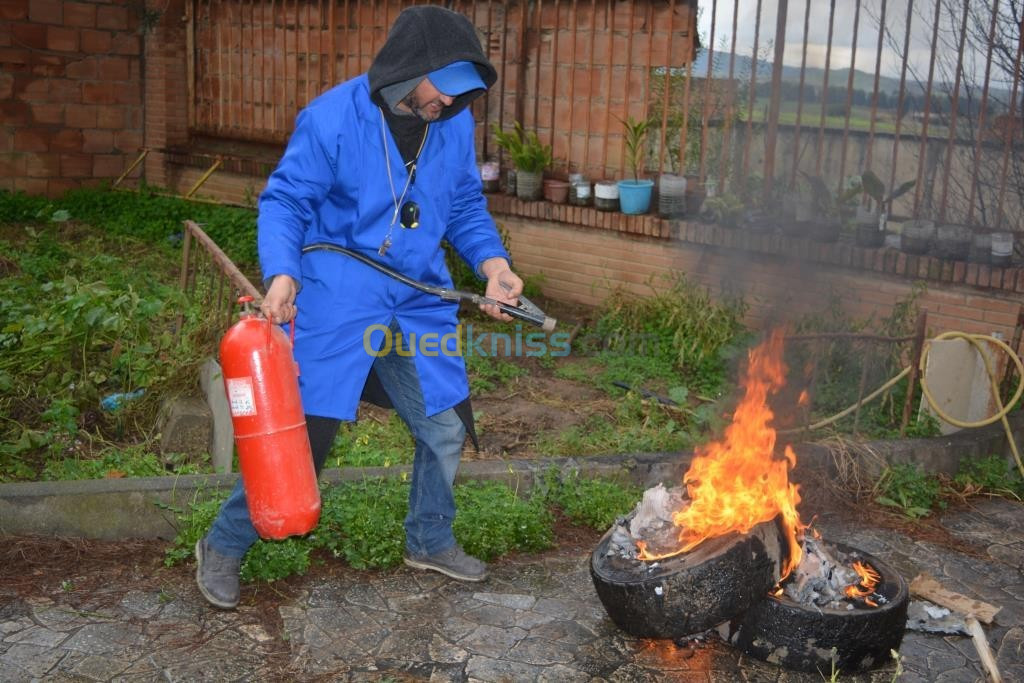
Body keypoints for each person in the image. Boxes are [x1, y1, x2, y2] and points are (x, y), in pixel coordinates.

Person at [195, 5, 524, 609]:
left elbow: (466, 207)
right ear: (407, 71)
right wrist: (283, 274)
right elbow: (285, 202)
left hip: (416, 304)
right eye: (443, 88)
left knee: (444, 427)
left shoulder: (451, 123)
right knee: (304, 442)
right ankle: (223, 544)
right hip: (339, 302)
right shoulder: (331, 119)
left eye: (461, 93)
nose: (449, 103)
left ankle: (428, 539)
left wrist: (494, 267)